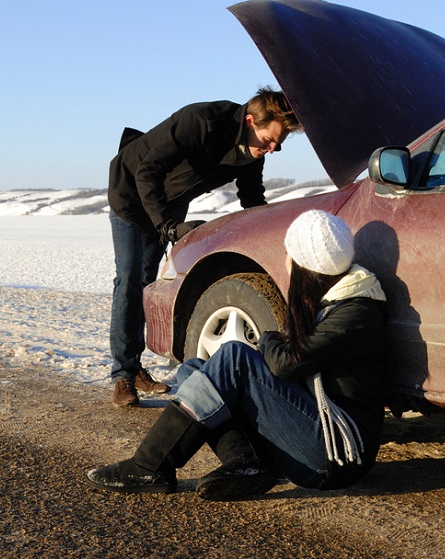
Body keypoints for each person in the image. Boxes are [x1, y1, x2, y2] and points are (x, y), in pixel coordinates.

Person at [86, 210, 388, 500]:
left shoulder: (356, 313)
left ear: (305, 265)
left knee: (234, 358)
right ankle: (248, 463)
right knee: (194, 370)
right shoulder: (334, 302)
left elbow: (285, 362)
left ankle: (149, 464)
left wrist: (268, 337)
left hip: (334, 458)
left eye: (290, 254)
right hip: (314, 436)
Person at [106, 87, 302, 407]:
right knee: (128, 279)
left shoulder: (251, 155)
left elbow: (252, 201)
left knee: (146, 283)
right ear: (251, 121)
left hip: (170, 203)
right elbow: (147, 171)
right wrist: (167, 227)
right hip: (130, 191)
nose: (271, 149)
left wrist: (273, 238)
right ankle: (123, 375)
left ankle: (136, 367)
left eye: (278, 145)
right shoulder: (202, 121)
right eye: (269, 140)